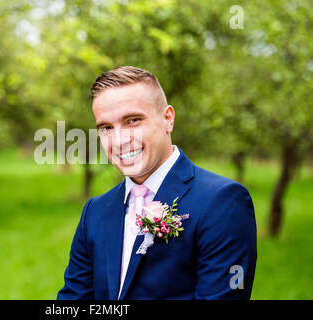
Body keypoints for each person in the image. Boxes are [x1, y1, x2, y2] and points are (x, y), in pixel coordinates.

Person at [57, 66, 257, 300]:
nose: (120, 141)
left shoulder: (223, 202)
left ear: (168, 119)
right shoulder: (95, 211)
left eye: (132, 121)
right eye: (107, 128)